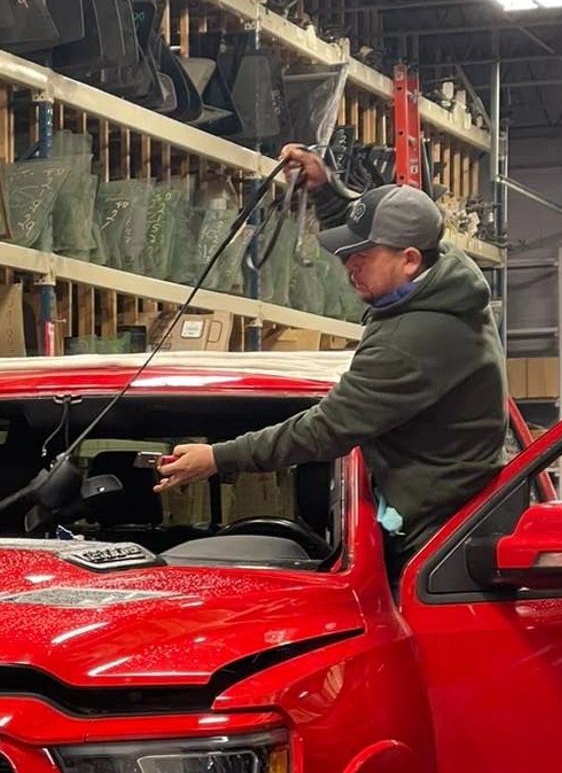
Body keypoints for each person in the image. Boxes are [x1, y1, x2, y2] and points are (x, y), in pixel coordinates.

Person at [155, 145, 508, 579]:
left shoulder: (411, 341)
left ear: (409, 259)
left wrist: (217, 458)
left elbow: (326, 429)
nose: (348, 266)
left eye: (361, 258)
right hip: (442, 512)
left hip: (439, 541)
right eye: (347, 254)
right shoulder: (444, 271)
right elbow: (370, 227)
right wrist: (324, 190)